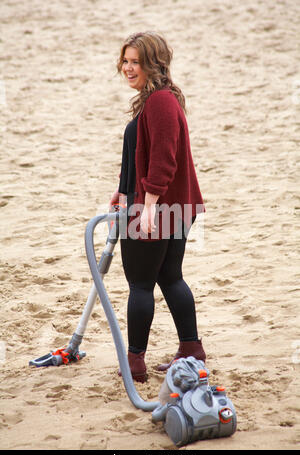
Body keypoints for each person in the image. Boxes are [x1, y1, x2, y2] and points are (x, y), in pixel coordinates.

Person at [109, 32, 206, 383]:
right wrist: (122, 194)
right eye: (126, 60)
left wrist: (147, 208)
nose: (128, 68)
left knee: (140, 283)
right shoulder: (154, 101)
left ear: (154, 64)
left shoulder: (161, 102)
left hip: (160, 207)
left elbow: (163, 160)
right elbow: (141, 154)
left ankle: (135, 361)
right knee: (169, 276)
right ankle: (192, 349)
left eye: (136, 61)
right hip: (170, 205)